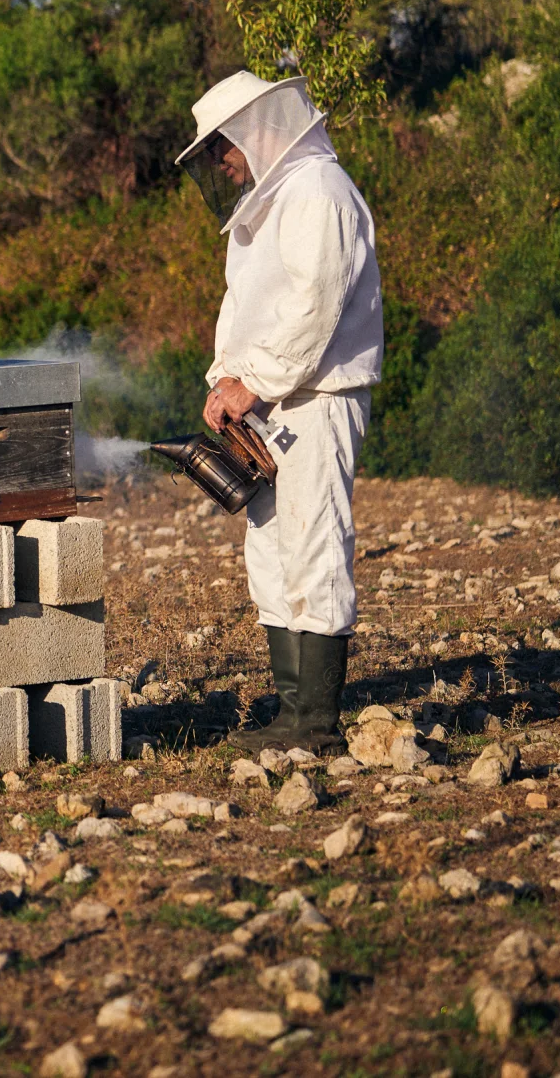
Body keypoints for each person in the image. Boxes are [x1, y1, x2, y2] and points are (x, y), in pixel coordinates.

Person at [174, 71, 384, 756]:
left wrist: (255, 382)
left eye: (222, 147)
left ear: (256, 130)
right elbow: (242, 308)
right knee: (269, 547)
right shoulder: (262, 209)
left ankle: (315, 723)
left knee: (314, 541)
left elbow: (314, 306)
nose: (219, 164)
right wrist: (225, 381)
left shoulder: (321, 190)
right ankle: (291, 708)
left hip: (319, 397)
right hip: (267, 400)